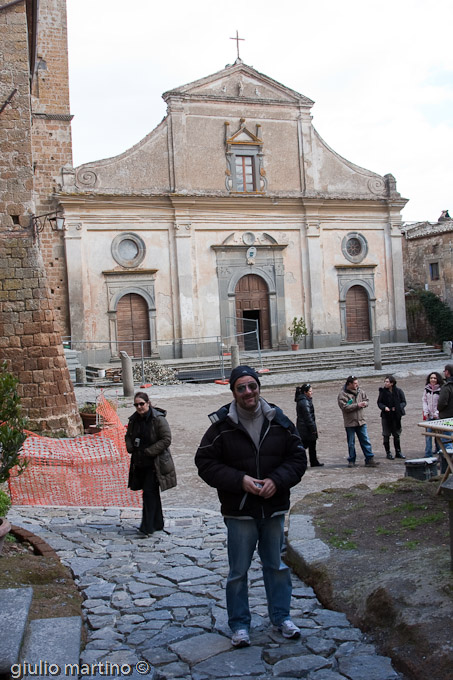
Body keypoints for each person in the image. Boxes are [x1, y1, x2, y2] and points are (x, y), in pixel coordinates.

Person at [195, 365, 306, 648]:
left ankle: (281, 618)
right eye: (241, 387)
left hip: (272, 507)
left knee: (276, 566)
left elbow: (297, 458)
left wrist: (276, 481)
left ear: (259, 387)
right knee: (238, 572)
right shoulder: (221, 426)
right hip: (240, 510)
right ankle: (240, 625)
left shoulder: (278, 420)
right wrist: (240, 480)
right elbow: (205, 463)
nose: (248, 392)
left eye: (252, 386)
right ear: (233, 392)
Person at [125, 391, 176, 536]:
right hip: (140, 463)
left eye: (142, 404)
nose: (139, 407)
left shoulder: (158, 419)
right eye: (136, 405)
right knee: (151, 494)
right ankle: (157, 523)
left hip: (156, 464)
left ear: (148, 403)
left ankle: (147, 527)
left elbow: (166, 439)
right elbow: (128, 435)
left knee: (148, 493)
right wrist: (130, 447)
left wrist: (149, 451)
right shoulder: (134, 420)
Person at [338, 376, 378, 467]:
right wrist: (357, 405)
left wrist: (365, 403)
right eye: (355, 383)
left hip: (361, 421)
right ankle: (351, 460)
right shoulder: (342, 394)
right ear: (349, 384)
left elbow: (366, 399)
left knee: (365, 440)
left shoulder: (361, 391)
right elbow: (344, 408)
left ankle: (369, 459)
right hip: (350, 422)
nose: (357, 385)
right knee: (351, 443)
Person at [377, 375, 407, 459]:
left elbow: (404, 402)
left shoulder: (398, 391)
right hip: (386, 416)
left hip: (396, 415)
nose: (385, 383)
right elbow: (379, 403)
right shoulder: (382, 392)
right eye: (385, 382)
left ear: (392, 383)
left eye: (387, 382)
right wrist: (384, 407)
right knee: (386, 434)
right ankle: (388, 452)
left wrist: (398, 407)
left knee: (396, 434)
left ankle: (398, 451)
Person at [295, 383, 324, 467]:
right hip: (306, 428)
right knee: (306, 446)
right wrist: (313, 429)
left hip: (303, 427)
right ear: (305, 392)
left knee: (311, 445)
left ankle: (313, 461)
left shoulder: (303, 400)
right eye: (310, 391)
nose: (312, 392)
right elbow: (308, 417)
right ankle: (304, 463)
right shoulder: (304, 402)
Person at [422, 371, 443, 457]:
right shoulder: (427, 389)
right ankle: (428, 453)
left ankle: (440, 450)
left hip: (437, 416)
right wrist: (426, 411)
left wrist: (437, 412)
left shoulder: (441, 389)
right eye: (431, 378)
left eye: (434, 378)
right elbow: (424, 400)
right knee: (428, 435)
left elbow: (441, 403)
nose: (433, 380)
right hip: (429, 415)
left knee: (439, 435)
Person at [437, 365, 453, 474]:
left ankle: (447, 469)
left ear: (447, 372)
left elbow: (442, 403)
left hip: (447, 419)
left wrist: (439, 409)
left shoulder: (447, 387)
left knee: (447, 444)